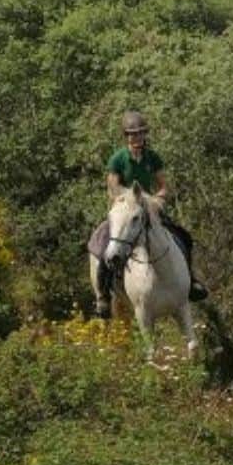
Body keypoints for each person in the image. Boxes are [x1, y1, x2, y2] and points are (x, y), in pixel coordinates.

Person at [97, 110, 207, 317]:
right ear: (126, 136)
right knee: (102, 244)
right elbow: (113, 187)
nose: (136, 138)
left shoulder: (152, 157)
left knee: (183, 236)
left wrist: (157, 199)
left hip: (147, 210)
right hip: (123, 211)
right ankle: (103, 295)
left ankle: (190, 281)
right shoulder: (118, 159)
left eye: (140, 133)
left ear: (144, 135)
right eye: (132, 134)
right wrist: (132, 197)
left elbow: (164, 186)